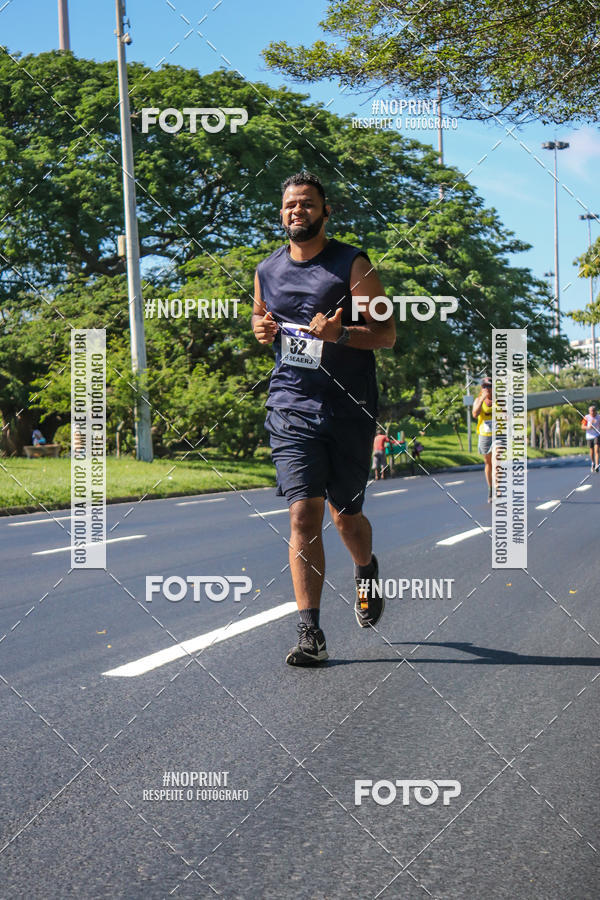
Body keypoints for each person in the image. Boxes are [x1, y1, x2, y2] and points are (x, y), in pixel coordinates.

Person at [252, 171, 396, 666]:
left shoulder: (352, 265)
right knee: (302, 512)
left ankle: (366, 568)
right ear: (281, 212)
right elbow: (259, 320)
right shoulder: (266, 270)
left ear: (325, 211)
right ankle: (309, 632)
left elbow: (387, 333)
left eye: (308, 204)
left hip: (348, 408)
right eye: (291, 204)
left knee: (345, 517)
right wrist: (261, 329)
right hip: (291, 403)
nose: (298, 211)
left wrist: (341, 335)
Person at [472, 378, 495, 502]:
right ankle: (491, 489)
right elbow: (475, 414)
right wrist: (481, 399)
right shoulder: (478, 400)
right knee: (489, 463)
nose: (487, 388)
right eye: (484, 386)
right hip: (485, 434)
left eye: (489, 386)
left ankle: (498, 487)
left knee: (497, 461)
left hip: (498, 435)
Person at [581, 404, 600, 472]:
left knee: (596, 450)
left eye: (593, 411)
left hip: (597, 435)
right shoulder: (586, 417)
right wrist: (588, 427)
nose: (592, 412)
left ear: (595, 411)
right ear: (589, 411)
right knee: (591, 451)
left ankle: (597, 465)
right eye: (590, 411)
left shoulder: (599, 417)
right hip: (589, 436)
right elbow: (582, 427)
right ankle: (593, 463)